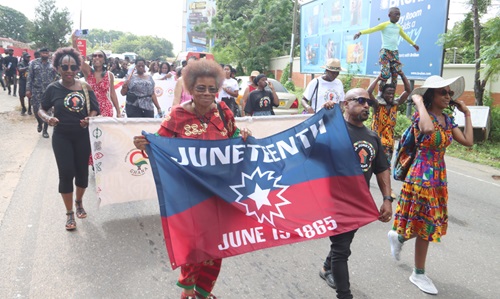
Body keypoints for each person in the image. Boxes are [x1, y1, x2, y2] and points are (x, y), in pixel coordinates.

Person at [133, 59, 251, 299]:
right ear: (190, 88)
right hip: (189, 195)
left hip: (220, 192)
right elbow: (160, 145)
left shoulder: (224, 111)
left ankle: (204, 292)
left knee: (217, 245)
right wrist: (145, 144)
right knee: (194, 245)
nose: (207, 94)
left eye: (211, 88)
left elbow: (233, 136)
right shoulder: (176, 116)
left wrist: (243, 136)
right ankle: (187, 291)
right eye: (200, 88)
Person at [388, 76, 473, 295]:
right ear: (431, 96)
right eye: (442, 92)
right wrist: (417, 101)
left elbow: (468, 141)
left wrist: (468, 114)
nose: (448, 96)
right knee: (425, 224)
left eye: (449, 93)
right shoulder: (421, 116)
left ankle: (398, 237)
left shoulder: (447, 120)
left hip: (438, 177)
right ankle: (418, 272)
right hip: (420, 176)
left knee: (427, 223)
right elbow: (426, 129)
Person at [319, 88, 393, 299]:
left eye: (369, 102)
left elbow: (381, 169)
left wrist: (387, 199)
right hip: (334, 201)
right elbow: (306, 147)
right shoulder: (332, 129)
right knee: (342, 249)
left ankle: (326, 267)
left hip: (357, 202)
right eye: (360, 101)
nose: (366, 105)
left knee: (343, 242)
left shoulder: (372, 137)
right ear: (345, 104)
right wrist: (323, 118)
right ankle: (345, 295)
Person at [38, 47, 100, 231]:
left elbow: (95, 109)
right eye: (64, 67)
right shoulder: (53, 88)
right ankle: (69, 213)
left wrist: (89, 118)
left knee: (82, 174)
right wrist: (47, 118)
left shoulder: (85, 87)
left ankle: (79, 201)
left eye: (73, 67)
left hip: (82, 136)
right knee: (66, 173)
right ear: (57, 68)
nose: (69, 71)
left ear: (78, 68)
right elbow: (41, 108)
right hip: (62, 136)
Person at [353, 7, 419, 89]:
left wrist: (413, 44)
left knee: (395, 74)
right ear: (389, 15)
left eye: (399, 15)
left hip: (394, 52)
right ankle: (380, 94)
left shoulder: (398, 27)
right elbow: (372, 29)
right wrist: (360, 32)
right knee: (385, 74)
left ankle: (392, 95)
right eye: (396, 14)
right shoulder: (384, 25)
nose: (398, 16)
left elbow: (405, 36)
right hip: (385, 52)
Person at [72, 32, 121, 117]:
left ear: (104, 60)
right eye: (94, 56)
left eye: (100, 56)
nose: (97, 57)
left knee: (105, 130)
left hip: (106, 109)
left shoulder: (109, 75)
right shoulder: (88, 71)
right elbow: (78, 58)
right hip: (90, 109)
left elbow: (113, 94)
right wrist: (74, 41)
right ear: (92, 59)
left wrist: (118, 112)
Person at [368, 71, 411, 167]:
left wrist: (402, 75)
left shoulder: (395, 104)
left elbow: (408, 91)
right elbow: (368, 92)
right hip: (375, 142)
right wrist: (378, 78)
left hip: (388, 144)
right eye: (388, 93)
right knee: (369, 168)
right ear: (382, 93)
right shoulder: (377, 105)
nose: (391, 96)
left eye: (392, 93)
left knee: (385, 169)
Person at [26, 47, 57, 138]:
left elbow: (57, 76)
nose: (45, 54)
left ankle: (45, 130)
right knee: (36, 110)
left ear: (49, 54)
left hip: (49, 92)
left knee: (48, 111)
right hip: (36, 91)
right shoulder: (33, 63)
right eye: (43, 53)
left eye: (46, 53)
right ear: (40, 54)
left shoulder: (52, 64)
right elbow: (29, 77)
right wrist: (28, 89)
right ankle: (40, 123)